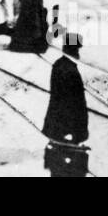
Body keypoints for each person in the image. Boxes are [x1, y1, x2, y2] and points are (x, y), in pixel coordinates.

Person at [42, 33, 89, 177]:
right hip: (67, 127)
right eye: (77, 50)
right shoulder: (69, 70)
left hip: (59, 125)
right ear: (73, 50)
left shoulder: (59, 64)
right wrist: (70, 131)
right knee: (67, 166)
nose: (78, 53)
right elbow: (67, 103)